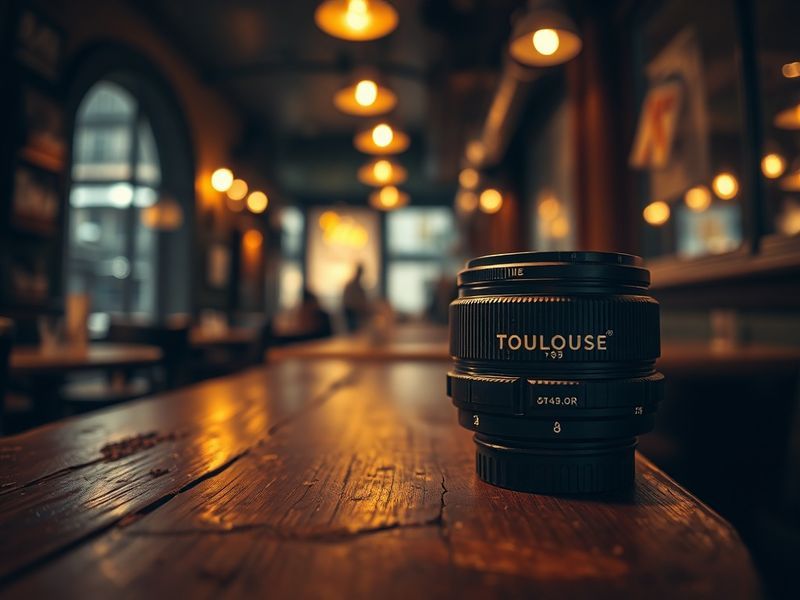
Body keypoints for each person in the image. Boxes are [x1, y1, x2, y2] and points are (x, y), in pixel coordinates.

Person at [342, 263, 370, 332]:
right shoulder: (351, 285)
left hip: (358, 313)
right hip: (351, 312)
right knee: (353, 332)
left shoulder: (359, 286)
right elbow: (348, 301)